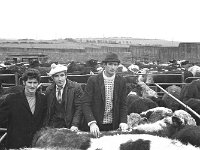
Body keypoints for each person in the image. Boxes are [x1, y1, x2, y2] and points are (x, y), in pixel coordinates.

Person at [81, 52, 128, 137]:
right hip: (96, 125)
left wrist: (123, 121)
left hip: (113, 125)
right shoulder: (93, 80)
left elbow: (123, 104)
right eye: (110, 64)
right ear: (104, 65)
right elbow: (85, 103)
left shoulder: (121, 81)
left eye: (115, 64)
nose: (113, 67)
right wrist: (91, 122)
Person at [0, 68, 47, 149]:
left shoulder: (43, 99)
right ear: (24, 82)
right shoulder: (11, 99)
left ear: (38, 83)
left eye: (35, 83)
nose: (32, 86)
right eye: (29, 82)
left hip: (35, 144)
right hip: (16, 144)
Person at [44, 63, 83, 131]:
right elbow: (48, 111)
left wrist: (75, 124)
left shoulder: (75, 88)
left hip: (70, 125)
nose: (60, 79)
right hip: (54, 125)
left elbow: (79, 108)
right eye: (56, 76)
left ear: (66, 76)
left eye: (62, 75)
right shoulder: (49, 90)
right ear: (52, 78)